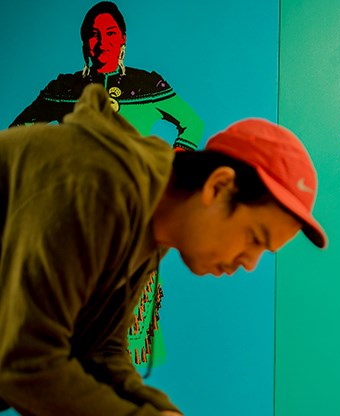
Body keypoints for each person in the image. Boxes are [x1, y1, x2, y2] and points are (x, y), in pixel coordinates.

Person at [0, 84, 327, 416]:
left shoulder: (149, 216)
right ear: (218, 187)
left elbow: (100, 351)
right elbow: (26, 360)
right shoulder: (99, 185)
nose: (250, 263)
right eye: (254, 239)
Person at [10, 1, 206, 369]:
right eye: (94, 36)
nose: (102, 43)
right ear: (85, 42)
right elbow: (18, 132)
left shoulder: (145, 84)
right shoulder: (65, 88)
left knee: (127, 329)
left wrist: (173, 162)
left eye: (110, 34)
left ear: (123, 40)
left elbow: (191, 124)